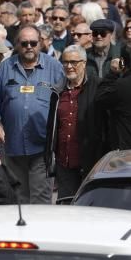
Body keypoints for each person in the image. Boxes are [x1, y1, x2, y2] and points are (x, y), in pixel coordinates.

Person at [0, 26, 64, 204]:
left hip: (42, 146)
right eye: (24, 43)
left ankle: (40, 232)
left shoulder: (54, 67)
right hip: (13, 144)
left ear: (41, 44)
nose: (29, 46)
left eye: (33, 43)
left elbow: (65, 99)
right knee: (18, 199)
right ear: (17, 45)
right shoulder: (5, 67)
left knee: (40, 199)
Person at [50, 45, 103, 199]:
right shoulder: (57, 91)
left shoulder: (97, 86)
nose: (69, 66)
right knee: (67, 210)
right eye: (65, 62)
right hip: (64, 164)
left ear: (84, 63)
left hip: (90, 164)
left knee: (91, 208)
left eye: (74, 62)